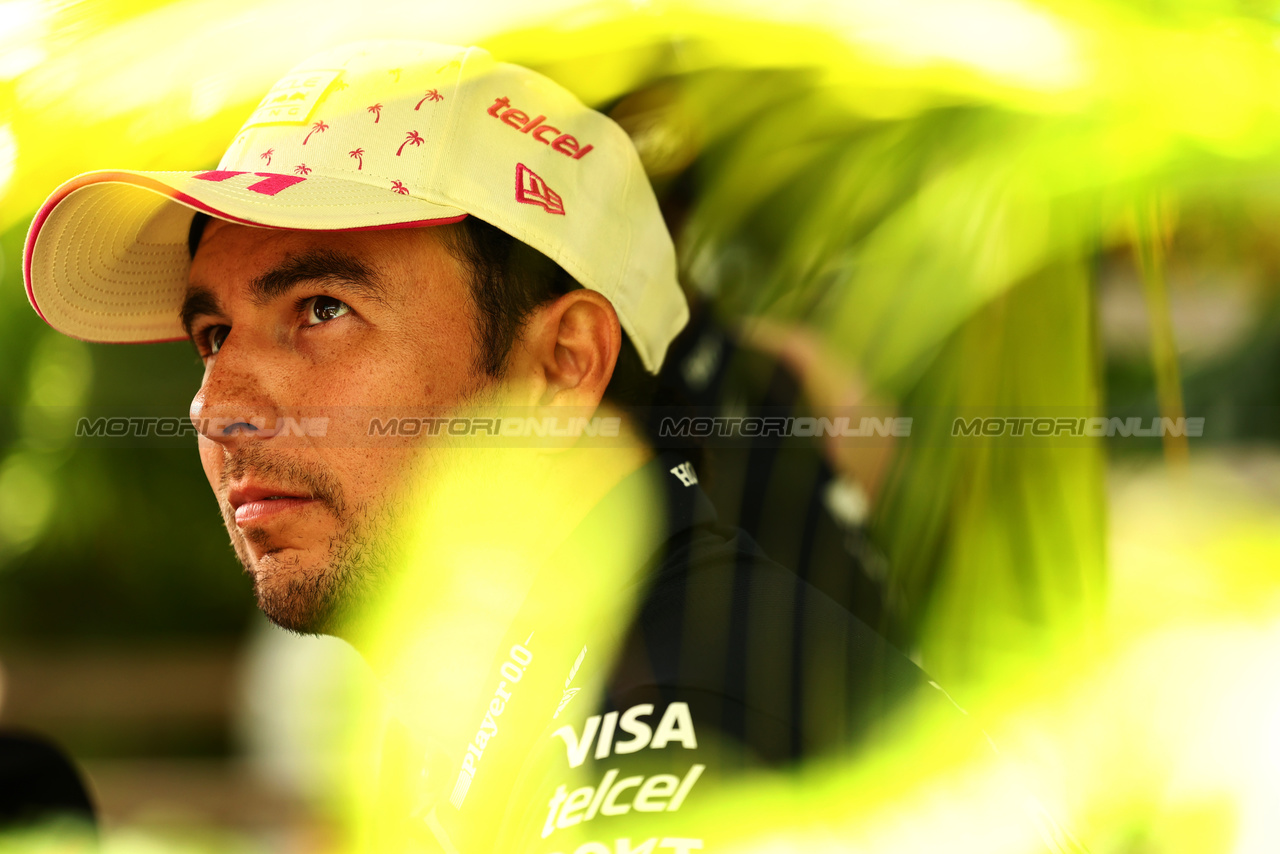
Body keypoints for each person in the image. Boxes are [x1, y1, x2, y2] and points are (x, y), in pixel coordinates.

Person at [23, 40, 1065, 853]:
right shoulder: (552, 669)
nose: (217, 405)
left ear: (562, 363)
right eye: (213, 334)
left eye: (321, 308)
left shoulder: (678, 706)